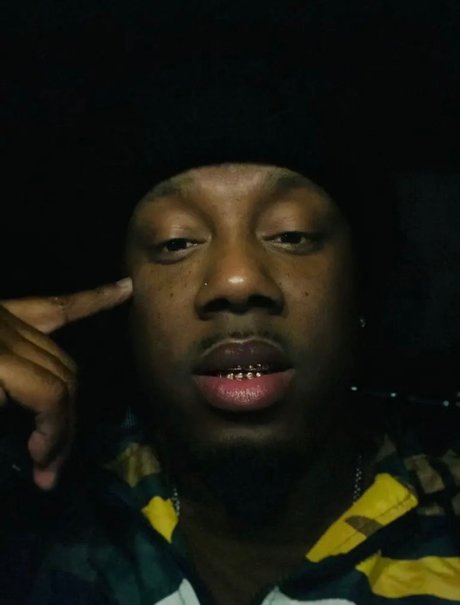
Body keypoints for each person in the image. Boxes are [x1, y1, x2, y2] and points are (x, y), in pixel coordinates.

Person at [0, 158, 459, 605]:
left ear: (359, 288)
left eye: (291, 235)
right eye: (176, 242)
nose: (237, 281)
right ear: (123, 311)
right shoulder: (33, 522)